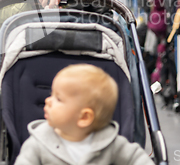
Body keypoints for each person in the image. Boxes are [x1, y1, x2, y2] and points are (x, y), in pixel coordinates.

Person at [15, 64, 155, 165]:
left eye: (58, 98)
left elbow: (137, 158)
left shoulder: (109, 143)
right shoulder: (38, 143)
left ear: (84, 117)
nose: (47, 100)